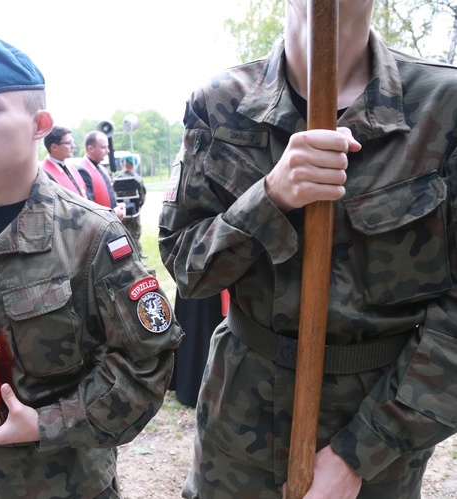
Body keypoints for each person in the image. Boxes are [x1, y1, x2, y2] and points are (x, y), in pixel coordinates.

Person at [158, 0, 457, 497]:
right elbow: (189, 272)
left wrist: (359, 453)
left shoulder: (441, 108)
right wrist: (269, 197)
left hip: (378, 435)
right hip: (236, 430)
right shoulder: (219, 103)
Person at [0, 35, 182, 498]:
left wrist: (45, 424)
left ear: (39, 124)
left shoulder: (92, 236)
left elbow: (145, 365)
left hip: (71, 485)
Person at [77, 130, 127, 221]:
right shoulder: (83, 171)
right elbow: (89, 205)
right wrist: (113, 213)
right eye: (104, 147)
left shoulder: (101, 168)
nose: (108, 151)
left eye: (107, 147)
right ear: (90, 149)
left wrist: (117, 205)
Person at [41, 125, 87, 198]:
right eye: (69, 143)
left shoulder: (71, 168)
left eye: (73, 142)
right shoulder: (43, 175)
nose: (73, 146)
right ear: (54, 147)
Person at [113, 155, 147, 255]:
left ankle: (127, 255)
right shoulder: (137, 178)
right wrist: (140, 205)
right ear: (134, 165)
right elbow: (142, 196)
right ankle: (137, 255)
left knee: (123, 233)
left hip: (121, 210)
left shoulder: (117, 179)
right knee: (135, 233)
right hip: (134, 211)